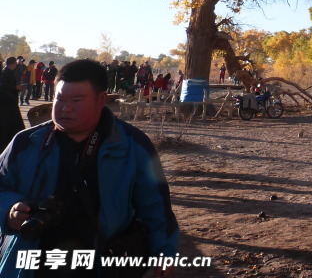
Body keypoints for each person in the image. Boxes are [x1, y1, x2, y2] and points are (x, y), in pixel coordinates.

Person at [0, 59, 178, 276]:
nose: (65, 108)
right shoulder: (26, 143)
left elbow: (156, 207)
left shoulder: (133, 146)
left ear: (101, 99)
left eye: (76, 100)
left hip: (104, 262)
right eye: (60, 99)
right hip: (33, 260)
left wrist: (164, 254)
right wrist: (9, 211)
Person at [0, 59, 24, 152]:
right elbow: (3, 87)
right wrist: (15, 87)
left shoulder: (6, 72)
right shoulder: (5, 73)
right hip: (7, 103)